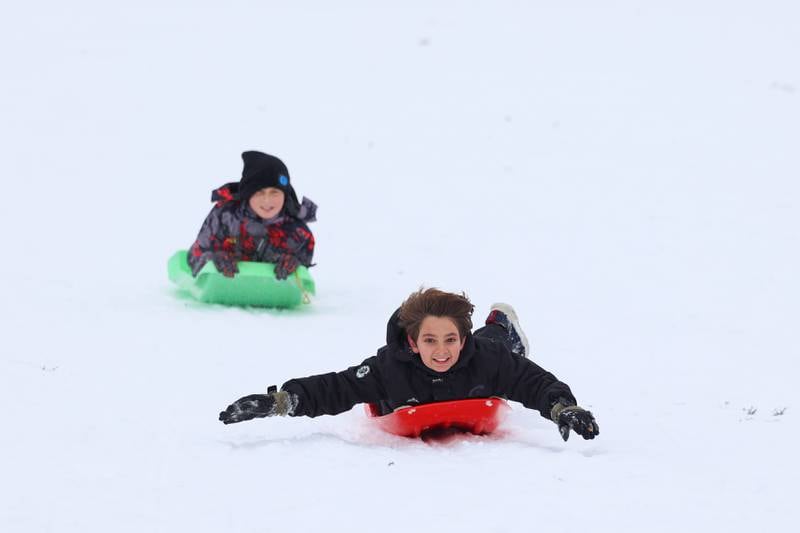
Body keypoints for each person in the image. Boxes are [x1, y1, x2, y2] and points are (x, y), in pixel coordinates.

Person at [218, 288, 599, 441]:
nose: (441, 351)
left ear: (461, 339)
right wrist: (281, 401)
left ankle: (502, 325)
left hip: (487, 352)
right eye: (430, 341)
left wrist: (563, 408)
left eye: (451, 339)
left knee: (498, 344)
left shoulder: (484, 358)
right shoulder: (391, 368)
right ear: (412, 342)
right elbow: (338, 387)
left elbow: (533, 382)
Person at [188, 151, 317, 279]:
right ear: (248, 193)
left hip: (270, 296)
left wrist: (296, 264)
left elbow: (303, 280)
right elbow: (194, 257)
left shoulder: (299, 233)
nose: (267, 201)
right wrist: (212, 258)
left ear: (285, 194)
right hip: (224, 292)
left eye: (275, 192)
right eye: (259, 192)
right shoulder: (224, 216)